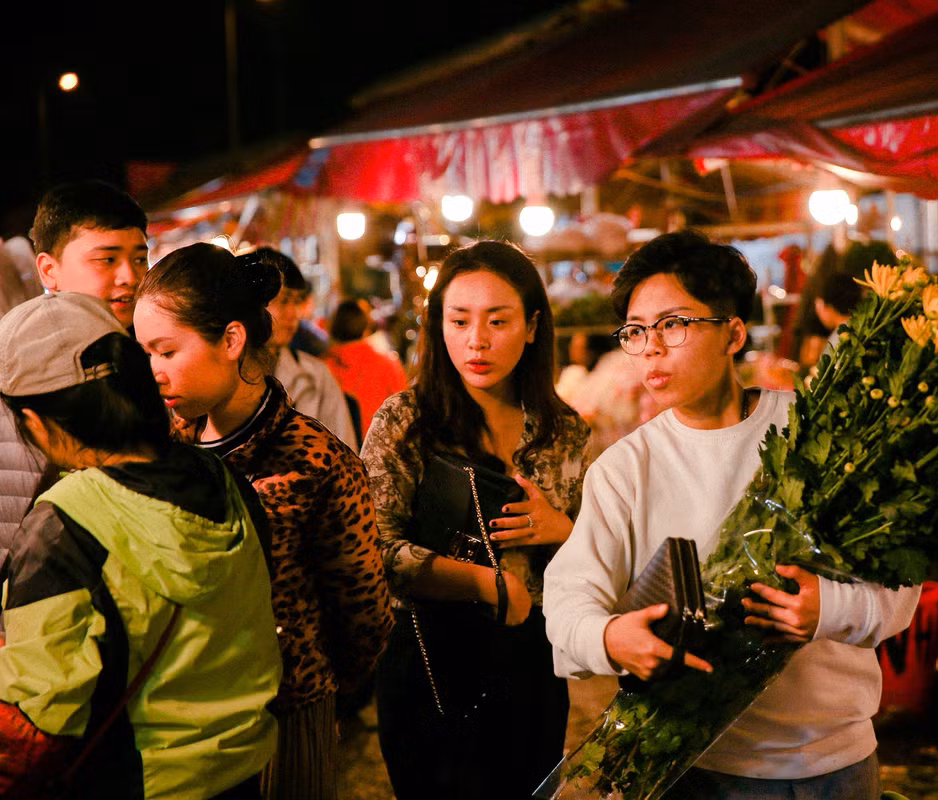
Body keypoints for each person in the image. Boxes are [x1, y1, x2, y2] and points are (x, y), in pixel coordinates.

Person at [543, 229, 921, 799]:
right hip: (698, 767)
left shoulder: (814, 433)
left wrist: (827, 608)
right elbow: (568, 604)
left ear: (733, 332)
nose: (651, 348)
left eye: (673, 324)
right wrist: (612, 636)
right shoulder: (624, 470)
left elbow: (901, 582)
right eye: (636, 332)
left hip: (838, 762)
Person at [133, 243, 394, 800]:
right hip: (182, 715)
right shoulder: (164, 451)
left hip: (285, 713)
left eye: (166, 351)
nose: (153, 372)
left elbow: (365, 614)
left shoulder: (316, 461)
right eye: (146, 354)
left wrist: (318, 688)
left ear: (231, 340)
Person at [0, 292, 280, 799]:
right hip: (241, 779)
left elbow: (41, 720)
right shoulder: (224, 479)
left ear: (37, 422)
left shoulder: (65, 522)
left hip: (130, 784)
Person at [359, 240, 593, 800]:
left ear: (533, 326)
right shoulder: (407, 419)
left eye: (498, 320)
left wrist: (564, 531)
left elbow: (598, 557)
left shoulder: (563, 431)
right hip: (429, 663)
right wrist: (481, 582)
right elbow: (373, 547)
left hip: (533, 663)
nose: (476, 340)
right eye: (458, 320)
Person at [1, 179, 149, 641]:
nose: (129, 275)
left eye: (140, 257)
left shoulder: (151, 363)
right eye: (107, 259)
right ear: (48, 269)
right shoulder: (15, 374)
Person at [254, 247, 357, 448]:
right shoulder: (221, 377)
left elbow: (346, 457)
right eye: (283, 301)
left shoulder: (316, 377)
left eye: (296, 301)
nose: (294, 314)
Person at [323, 298, 409, 447]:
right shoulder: (386, 364)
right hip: (377, 453)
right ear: (365, 328)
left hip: (332, 454)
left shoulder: (320, 367)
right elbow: (405, 415)